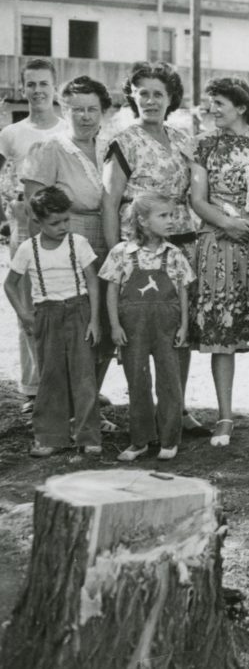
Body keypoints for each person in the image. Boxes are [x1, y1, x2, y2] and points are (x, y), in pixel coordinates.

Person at [101, 61, 207, 436]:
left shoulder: (183, 139)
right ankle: (145, 419)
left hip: (181, 246)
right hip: (141, 248)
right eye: (142, 93)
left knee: (179, 328)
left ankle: (176, 411)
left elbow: (197, 194)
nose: (149, 100)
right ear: (132, 96)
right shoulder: (124, 141)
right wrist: (122, 257)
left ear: (170, 99)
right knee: (144, 332)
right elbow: (110, 201)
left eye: (157, 94)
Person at [22, 76, 117, 413]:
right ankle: (64, 409)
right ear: (64, 109)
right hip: (67, 244)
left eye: (92, 109)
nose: (85, 116)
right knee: (72, 330)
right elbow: (35, 207)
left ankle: (88, 406)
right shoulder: (50, 148)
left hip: (107, 241)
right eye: (76, 109)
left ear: (103, 111)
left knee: (103, 328)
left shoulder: (112, 147)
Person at [189, 77, 249, 447]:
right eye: (209, 103)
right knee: (222, 333)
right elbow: (197, 198)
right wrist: (227, 224)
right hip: (218, 244)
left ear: (241, 106)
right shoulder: (204, 144)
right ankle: (224, 416)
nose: (212, 110)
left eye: (218, 103)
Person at [4, 187, 101, 457]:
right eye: (55, 223)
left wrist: (94, 319)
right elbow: (10, 284)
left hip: (79, 310)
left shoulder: (78, 243)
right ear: (37, 221)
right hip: (46, 314)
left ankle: (88, 435)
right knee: (51, 376)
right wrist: (24, 314)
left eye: (66, 220)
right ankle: (49, 436)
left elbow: (92, 280)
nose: (62, 227)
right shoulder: (27, 249)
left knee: (84, 376)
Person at [100, 193, 194, 462]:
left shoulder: (174, 254)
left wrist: (184, 325)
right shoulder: (121, 253)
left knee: (170, 384)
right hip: (133, 329)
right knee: (138, 382)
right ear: (142, 220)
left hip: (167, 327)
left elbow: (183, 292)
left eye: (172, 215)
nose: (171, 221)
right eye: (163, 216)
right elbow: (112, 291)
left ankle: (169, 439)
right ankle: (140, 440)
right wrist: (115, 326)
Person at [0, 58, 67, 411]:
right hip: (24, 229)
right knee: (28, 306)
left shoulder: (68, 129)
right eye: (31, 84)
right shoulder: (11, 134)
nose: (38, 90)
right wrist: (7, 212)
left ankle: (70, 385)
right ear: (22, 88)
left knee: (65, 306)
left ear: (54, 87)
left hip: (62, 230)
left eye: (44, 84)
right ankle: (34, 388)